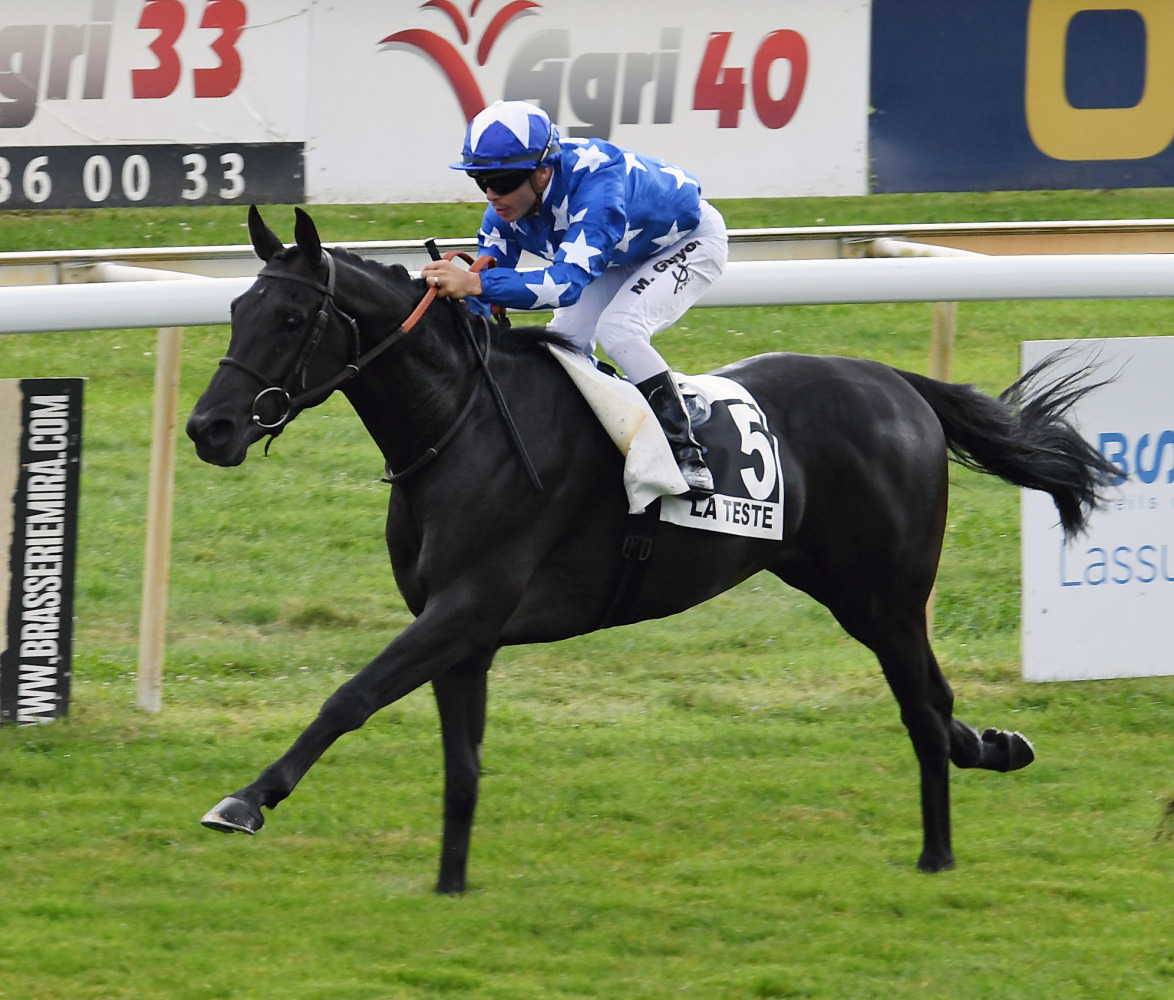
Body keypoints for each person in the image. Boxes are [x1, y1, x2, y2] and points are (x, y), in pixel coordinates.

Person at [421, 100, 728, 497]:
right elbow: (482, 288)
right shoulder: (503, 211)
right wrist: (461, 307)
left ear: (543, 172)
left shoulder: (598, 183)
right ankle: (618, 414)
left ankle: (686, 451)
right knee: (564, 343)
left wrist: (476, 286)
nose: (492, 196)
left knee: (620, 330)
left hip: (690, 241)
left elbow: (563, 285)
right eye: (481, 182)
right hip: (618, 253)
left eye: (502, 181)